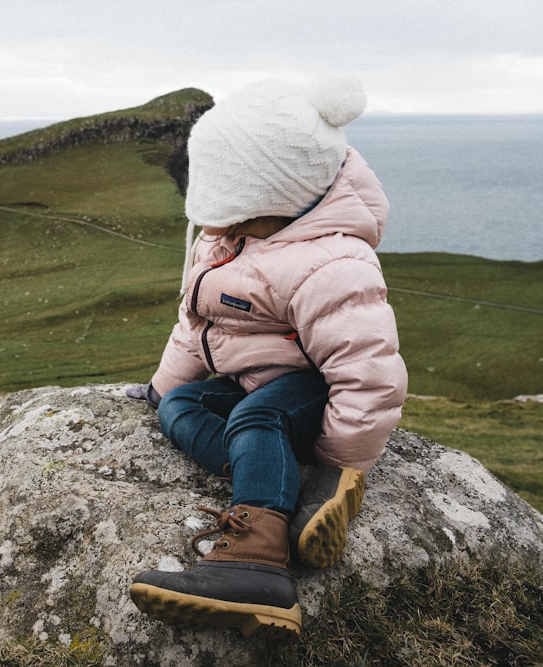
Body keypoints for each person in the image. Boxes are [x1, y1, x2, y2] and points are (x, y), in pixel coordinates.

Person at [125, 76, 408, 639]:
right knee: (180, 407)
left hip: (313, 393)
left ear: (283, 196)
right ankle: (279, 483)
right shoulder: (226, 239)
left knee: (258, 418)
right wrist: (161, 387)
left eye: (234, 210)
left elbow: (369, 377)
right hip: (256, 383)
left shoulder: (332, 266)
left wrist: (337, 467)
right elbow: (195, 326)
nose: (214, 226)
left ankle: (256, 565)